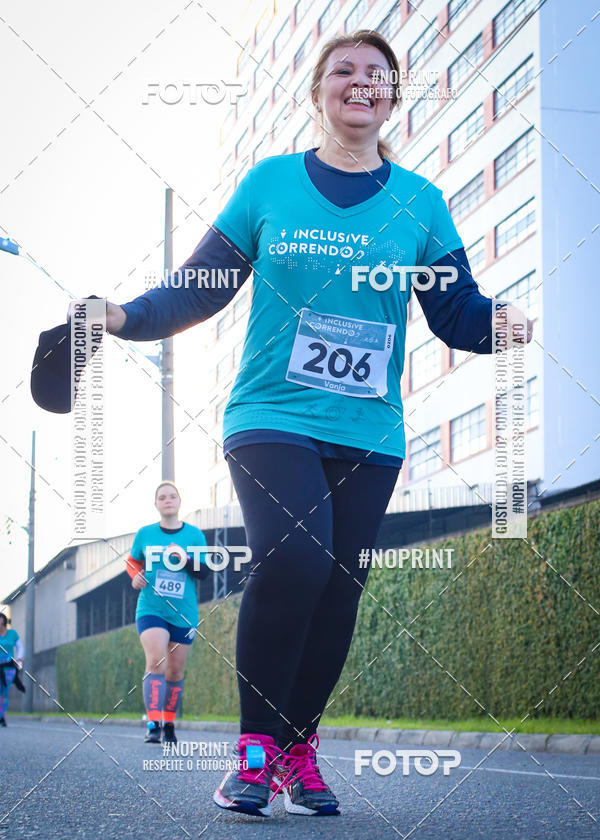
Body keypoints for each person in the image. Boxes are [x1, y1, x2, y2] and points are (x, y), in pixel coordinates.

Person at [98, 30, 532, 816]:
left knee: (338, 588)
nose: (360, 82)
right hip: (271, 414)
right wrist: (122, 315)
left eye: (377, 74)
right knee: (295, 559)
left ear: (392, 96)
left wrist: (499, 321)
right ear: (319, 92)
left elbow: (454, 310)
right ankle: (252, 754)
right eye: (343, 70)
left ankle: (298, 749)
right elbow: (199, 287)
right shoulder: (271, 184)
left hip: (369, 430)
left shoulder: (421, 203)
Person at [125, 481, 209, 744]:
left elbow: (204, 572)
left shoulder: (194, 535)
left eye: (172, 496)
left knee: (174, 671)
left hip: (183, 612)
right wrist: (135, 576)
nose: (168, 500)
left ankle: (169, 724)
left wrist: (185, 558)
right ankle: (153, 724)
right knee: (156, 661)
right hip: (151, 607)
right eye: (162, 497)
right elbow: (132, 561)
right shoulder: (145, 534)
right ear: (156, 504)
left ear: (179, 501)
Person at [0, 613, 24, 726]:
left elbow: (20, 647)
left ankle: (1, 716)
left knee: (4, 692)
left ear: (4, 621)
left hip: (9, 668)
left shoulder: (12, 634)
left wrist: (19, 658)